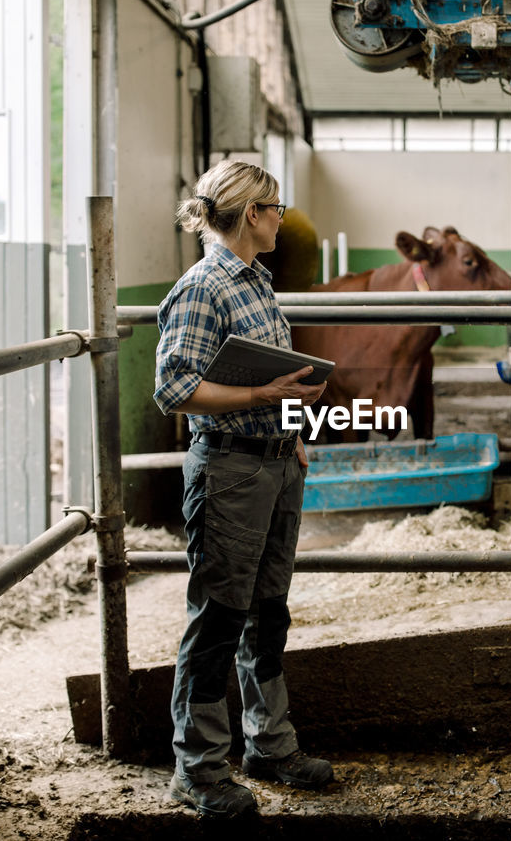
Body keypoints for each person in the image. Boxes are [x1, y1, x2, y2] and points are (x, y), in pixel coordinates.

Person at [154, 160, 333, 819]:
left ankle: (270, 744)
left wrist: (293, 426)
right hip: (229, 470)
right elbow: (174, 388)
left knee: (268, 611)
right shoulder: (203, 288)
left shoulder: (257, 281)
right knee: (221, 617)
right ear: (251, 214)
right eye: (276, 207)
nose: (283, 217)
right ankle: (197, 769)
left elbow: (272, 375)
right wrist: (261, 394)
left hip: (275, 460)